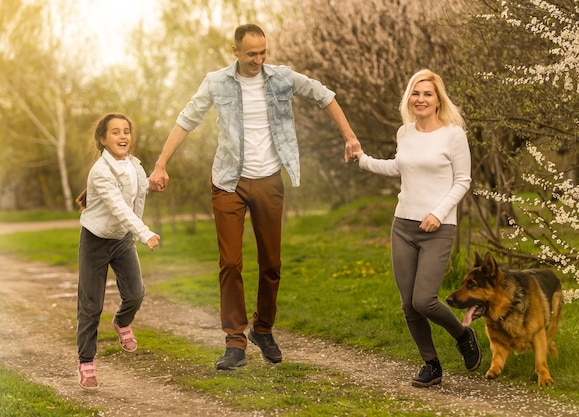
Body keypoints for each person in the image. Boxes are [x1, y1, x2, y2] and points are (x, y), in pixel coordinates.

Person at [148, 24, 360, 370]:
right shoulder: (216, 82)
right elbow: (186, 120)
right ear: (235, 52)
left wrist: (349, 136)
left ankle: (263, 329)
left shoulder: (281, 78)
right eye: (251, 55)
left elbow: (325, 96)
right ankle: (235, 341)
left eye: (263, 53)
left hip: (268, 181)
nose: (259, 60)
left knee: (271, 264)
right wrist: (160, 164)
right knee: (230, 263)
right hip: (228, 182)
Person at [353, 69, 481, 387]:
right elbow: (400, 166)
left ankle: (463, 334)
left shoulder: (453, 134)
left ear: (438, 100)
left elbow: (463, 180)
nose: (421, 99)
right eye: (416, 93)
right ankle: (431, 365)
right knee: (408, 304)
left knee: (424, 300)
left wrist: (438, 213)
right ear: (409, 98)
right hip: (403, 226)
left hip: (437, 228)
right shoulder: (405, 132)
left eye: (428, 94)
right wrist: (362, 160)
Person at [76, 113, 160, 390]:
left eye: (126, 131)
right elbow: (119, 207)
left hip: (121, 239)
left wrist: (151, 183)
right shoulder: (100, 171)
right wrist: (144, 233)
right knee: (90, 306)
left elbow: (134, 189)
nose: (123, 136)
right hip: (96, 241)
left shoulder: (134, 165)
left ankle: (122, 322)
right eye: (115, 132)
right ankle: (86, 362)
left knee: (135, 294)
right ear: (102, 139)